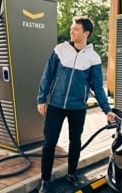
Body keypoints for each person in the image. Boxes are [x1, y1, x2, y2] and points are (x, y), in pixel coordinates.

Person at [36, 15, 115, 193]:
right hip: (55, 105)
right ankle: (45, 179)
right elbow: (47, 75)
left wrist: (106, 110)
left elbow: (97, 87)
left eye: (75, 29)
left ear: (85, 33)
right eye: (72, 28)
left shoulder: (93, 58)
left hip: (78, 108)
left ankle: (72, 173)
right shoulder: (60, 50)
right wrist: (42, 98)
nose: (71, 31)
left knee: (75, 142)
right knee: (49, 143)